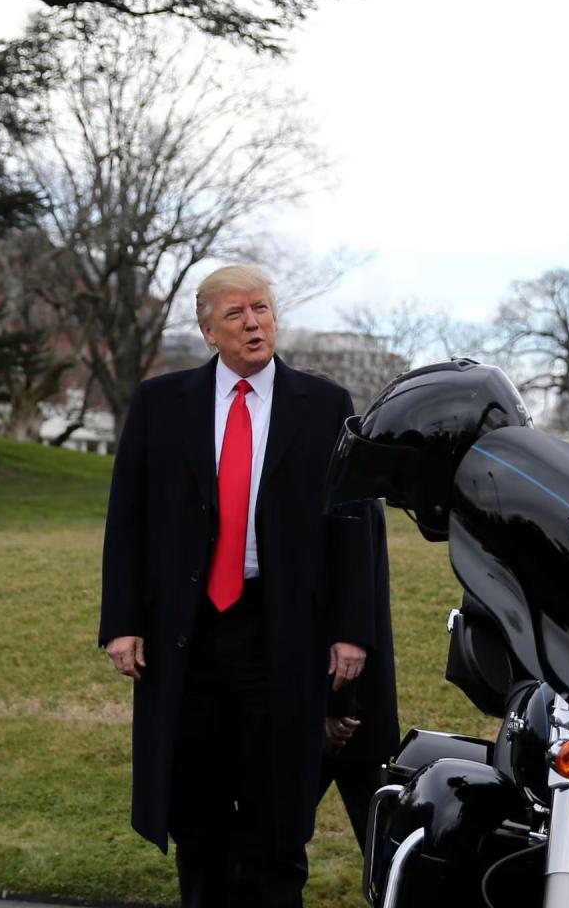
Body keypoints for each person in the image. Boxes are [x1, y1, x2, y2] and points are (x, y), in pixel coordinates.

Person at [99, 263, 375, 908]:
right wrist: (122, 621)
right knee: (195, 798)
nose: (253, 323)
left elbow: (352, 524)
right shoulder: (160, 404)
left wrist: (350, 631)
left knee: (279, 801)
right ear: (208, 332)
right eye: (236, 314)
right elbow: (127, 520)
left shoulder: (325, 404)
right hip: (185, 632)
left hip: (281, 627)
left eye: (261, 309)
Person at [316, 502, 399, 856]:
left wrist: (337, 705)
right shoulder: (358, 485)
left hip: (343, 700)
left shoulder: (344, 487)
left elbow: (348, 588)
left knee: (271, 847)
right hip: (357, 699)